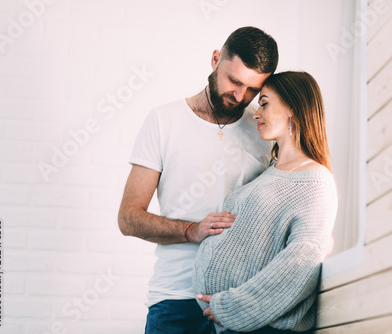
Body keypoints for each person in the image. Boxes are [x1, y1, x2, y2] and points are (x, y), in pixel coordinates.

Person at [118, 26, 279, 334]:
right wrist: (191, 230)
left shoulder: (264, 128)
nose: (240, 96)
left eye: (252, 90)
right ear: (216, 59)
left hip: (241, 301)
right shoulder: (164, 121)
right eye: (234, 81)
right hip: (176, 299)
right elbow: (128, 217)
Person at [193, 71, 338, 334]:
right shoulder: (272, 171)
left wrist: (233, 307)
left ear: (293, 107)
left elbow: (302, 259)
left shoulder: (315, 180)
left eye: (264, 103)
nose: (256, 113)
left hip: (264, 328)